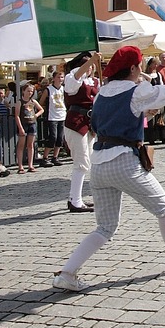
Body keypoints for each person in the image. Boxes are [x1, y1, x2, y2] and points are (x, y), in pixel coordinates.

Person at [51, 48, 165, 292]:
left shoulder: (102, 91)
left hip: (99, 163)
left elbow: (116, 117)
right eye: (139, 66)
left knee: (104, 227)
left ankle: (67, 273)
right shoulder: (136, 90)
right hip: (124, 162)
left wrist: (145, 111)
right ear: (133, 68)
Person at [63, 52, 100, 212]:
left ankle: (75, 197)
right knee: (81, 162)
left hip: (89, 123)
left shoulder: (94, 81)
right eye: (87, 64)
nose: (90, 67)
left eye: (91, 65)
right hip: (75, 123)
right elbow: (76, 78)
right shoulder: (72, 78)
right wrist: (91, 61)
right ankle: (75, 201)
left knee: (88, 161)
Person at [15, 83, 44, 173]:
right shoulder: (20, 102)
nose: (30, 93)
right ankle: (20, 166)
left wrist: (36, 115)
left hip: (32, 124)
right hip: (23, 124)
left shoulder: (33, 101)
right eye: (28, 91)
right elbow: (17, 115)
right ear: (23, 91)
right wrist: (20, 128)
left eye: (31, 91)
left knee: (30, 145)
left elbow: (41, 109)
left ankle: (30, 165)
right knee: (21, 146)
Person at [43, 71, 67, 167]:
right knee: (53, 137)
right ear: (53, 78)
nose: (60, 79)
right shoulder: (48, 90)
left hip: (62, 115)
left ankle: (55, 157)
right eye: (58, 77)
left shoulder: (63, 89)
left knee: (60, 138)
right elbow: (42, 102)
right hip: (52, 116)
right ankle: (45, 157)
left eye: (62, 77)